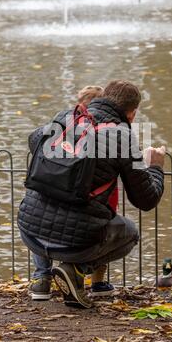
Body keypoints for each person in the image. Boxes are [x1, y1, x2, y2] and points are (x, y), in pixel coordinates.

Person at [18, 80, 165, 309]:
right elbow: (146, 200)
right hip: (74, 242)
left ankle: (52, 275)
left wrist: (64, 162)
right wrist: (154, 167)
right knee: (130, 233)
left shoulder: (67, 117)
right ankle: (76, 268)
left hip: (30, 230)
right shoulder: (123, 138)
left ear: (103, 98)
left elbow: (33, 140)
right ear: (132, 113)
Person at [29, 85, 117, 300]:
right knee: (101, 224)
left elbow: (34, 140)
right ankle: (95, 281)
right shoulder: (105, 133)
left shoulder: (62, 125)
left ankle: (41, 279)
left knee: (40, 219)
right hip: (87, 201)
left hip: (49, 195)